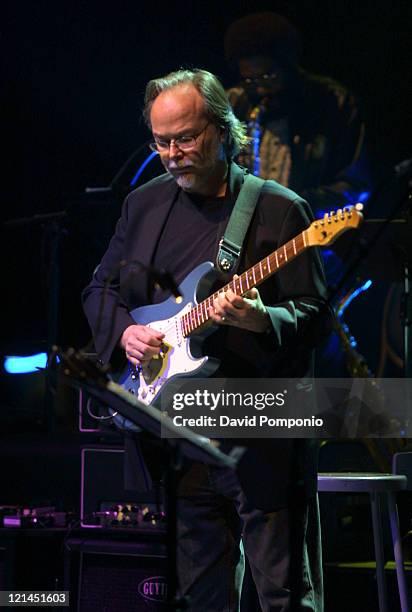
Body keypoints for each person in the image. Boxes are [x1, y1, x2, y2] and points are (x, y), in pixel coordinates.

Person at [82, 68, 332, 611]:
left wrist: (262, 318)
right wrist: (125, 331)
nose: (173, 153)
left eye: (187, 138)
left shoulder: (278, 208)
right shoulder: (142, 205)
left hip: (263, 433)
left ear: (223, 130)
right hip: (179, 438)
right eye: (162, 141)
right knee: (198, 596)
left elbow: (318, 319)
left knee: (284, 594)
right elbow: (100, 289)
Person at [224, 11, 370, 214]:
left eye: (269, 76)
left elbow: (354, 184)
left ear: (288, 65)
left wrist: (291, 206)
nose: (260, 89)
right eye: (250, 80)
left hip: (311, 232)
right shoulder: (234, 102)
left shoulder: (334, 103)